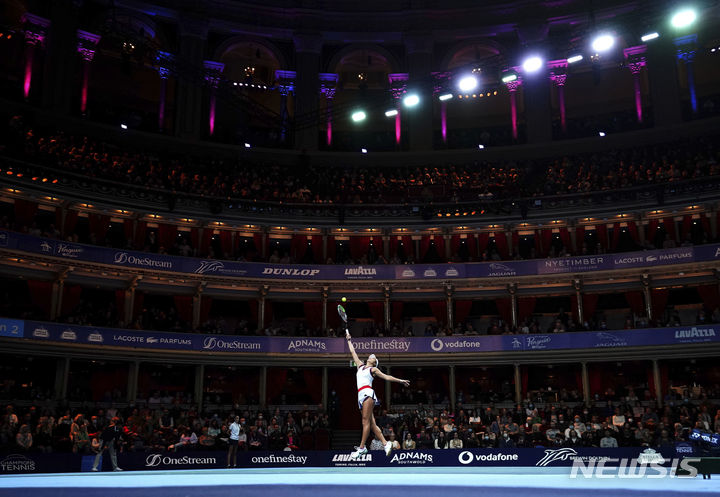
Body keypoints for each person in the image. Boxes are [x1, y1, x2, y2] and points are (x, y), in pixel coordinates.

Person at [346, 330, 410, 460]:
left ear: (374, 362)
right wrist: (348, 340)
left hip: (367, 393)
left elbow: (386, 377)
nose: (371, 356)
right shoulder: (360, 366)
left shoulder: (373, 369)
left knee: (365, 422)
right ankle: (386, 444)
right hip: (360, 395)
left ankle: (362, 448)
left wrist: (400, 380)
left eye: (373, 357)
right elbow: (353, 352)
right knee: (372, 424)